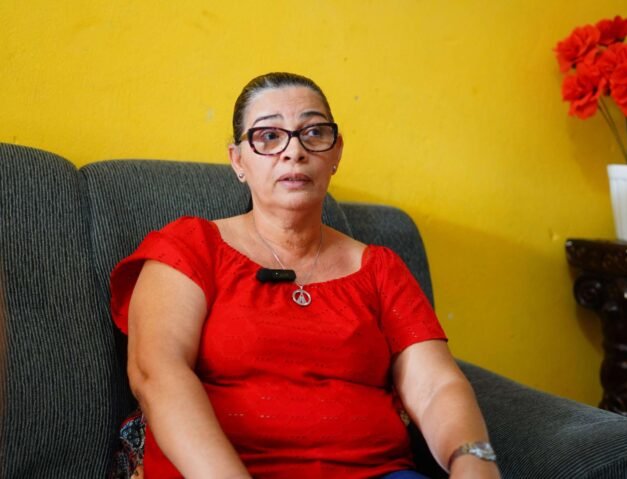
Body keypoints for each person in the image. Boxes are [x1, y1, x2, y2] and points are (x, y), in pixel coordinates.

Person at [110, 72, 501, 479]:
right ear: (238, 160)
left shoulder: (379, 269)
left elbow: (435, 385)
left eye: (313, 133)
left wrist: (474, 461)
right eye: (268, 136)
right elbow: (157, 373)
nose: (294, 151)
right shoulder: (190, 247)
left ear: (336, 152)